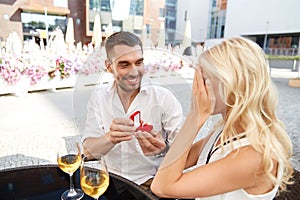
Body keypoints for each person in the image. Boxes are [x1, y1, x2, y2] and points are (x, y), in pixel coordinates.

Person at [151, 37, 294, 199]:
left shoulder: (253, 156)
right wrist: (162, 150)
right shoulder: (225, 129)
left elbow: (162, 186)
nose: (197, 89)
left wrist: (195, 116)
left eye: (204, 80)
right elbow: (182, 159)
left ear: (232, 84)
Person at [81, 31, 183, 189]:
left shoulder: (164, 98)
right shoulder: (99, 97)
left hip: (151, 183)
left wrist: (163, 150)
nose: (134, 71)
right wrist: (111, 138)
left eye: (139, 63)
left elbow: (185, 152)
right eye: (124, 64)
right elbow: (88, 152)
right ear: (109, 67)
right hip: (110, 182)